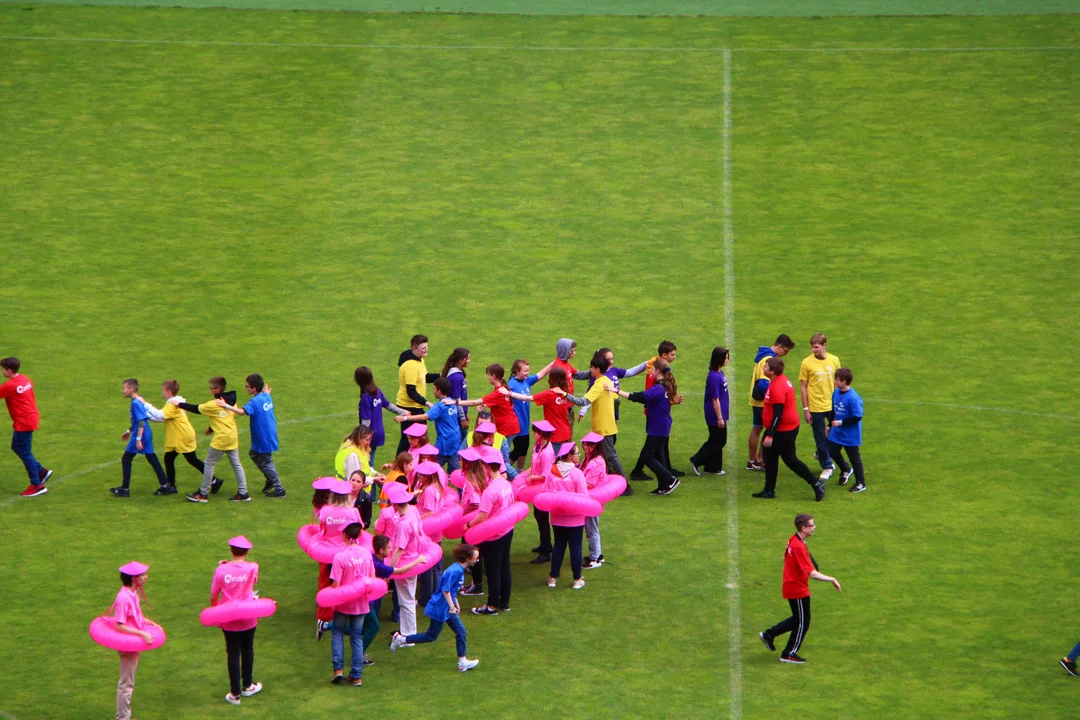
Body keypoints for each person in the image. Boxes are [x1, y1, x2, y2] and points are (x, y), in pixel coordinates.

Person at [758, 514, 841, 664]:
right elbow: (812, 574)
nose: (814, 527)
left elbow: (785, 558)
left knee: (798, 619)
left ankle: (769, 635)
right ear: (804, 528)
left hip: (790, 584)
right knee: (803, 622)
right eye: (812, 525)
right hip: (797, 589)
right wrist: (832, 579)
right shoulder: (799, 547)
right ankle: (788, 654)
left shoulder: (793, 540)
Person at [390, 543, 481, 672]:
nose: (477, 560)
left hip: (446, 607)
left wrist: (455, 603)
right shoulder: (455, 571)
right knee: (431, 636)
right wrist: (451, 606)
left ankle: (462, 662)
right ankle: (401, 639)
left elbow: (452, 590)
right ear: (467, 558)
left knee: (461, 631)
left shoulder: (458, 570)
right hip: (441, 608)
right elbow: (445, 590)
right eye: (475, 558)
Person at [752, 359, 826, 502]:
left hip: (783, 430)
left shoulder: (778, 387)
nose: (763, 367)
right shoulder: (777, 381)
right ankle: (769, 490)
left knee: (790, 460)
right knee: (770, 457)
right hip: (780, 428)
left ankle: (816, 484)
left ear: (772, 371)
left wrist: (770, 435)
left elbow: (778, 414)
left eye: (766, 366)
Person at [611, 359, 684, 496]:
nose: (650, 371)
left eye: (652, 369)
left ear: (657, 371)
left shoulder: (658, 388)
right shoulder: (666, 385)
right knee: (659, 455)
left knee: (647, 456)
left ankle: (670, 479)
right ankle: (663, 486)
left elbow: (640, 397)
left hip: (658, 426)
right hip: (662, 425)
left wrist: (617, 391)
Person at [175, 377, 250, 503]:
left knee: (209, 464)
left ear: (217, 389)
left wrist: (179, 404)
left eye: (211, 388)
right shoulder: (231, 401)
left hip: (221, 439)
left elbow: (196, 408)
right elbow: (225, 416)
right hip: (232, 437)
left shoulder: (213, 404)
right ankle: (243, 493)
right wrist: (211, 427)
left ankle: (203, 494)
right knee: (237, 465)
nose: (210, 390)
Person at [139, 380, 220, 494]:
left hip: (182, 437)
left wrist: (144, 403)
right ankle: (171, 485)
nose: (162, 392)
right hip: (180, 436)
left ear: (169, 392)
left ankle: (214, 480)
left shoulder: (172, 404)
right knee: (170, 458)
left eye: (163, 390)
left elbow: (160, 415)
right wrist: (144, 415)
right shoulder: (173, 402)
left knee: (191, 460)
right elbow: (162, 418)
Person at [210, 536, 263, 705]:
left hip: (228, 617)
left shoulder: (220, 571)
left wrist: (216, 612)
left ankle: (235, 693)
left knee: (232, 653)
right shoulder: (253, 567)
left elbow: (213, 595)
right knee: (248, 649)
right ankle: (247, 685)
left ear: (231, 551)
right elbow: (253, 580)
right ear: (247, 551)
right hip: (248, 616)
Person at [216, 374, 285, 498]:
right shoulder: (266, 396)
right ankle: (269, 478)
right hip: (266, 434)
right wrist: (267, 392)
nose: (245, 388)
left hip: (264, 437)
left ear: (254, 388)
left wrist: (226, 405)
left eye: (247, 386)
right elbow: (267, 395)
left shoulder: (255, 401)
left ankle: (279, 489)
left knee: (267, 462)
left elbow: (242, 412)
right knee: (253, 454)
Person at [363, 534, 427, 666]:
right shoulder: (379, 565)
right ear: (381, 550)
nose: (391, 550)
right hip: (368, 599)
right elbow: (400, 571)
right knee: (372, 626)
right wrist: (418, 560)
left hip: (372, 597)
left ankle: (326, 626)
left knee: (362, 626)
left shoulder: (375, 558)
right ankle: (359, 655)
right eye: (388, 548)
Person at [467, 447, 516, 616]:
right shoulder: (506, 484)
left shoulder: (490, 491)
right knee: (504, 567)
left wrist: (468, 524)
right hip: (507, 530)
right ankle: (505, 602)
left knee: (493, 569)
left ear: (487, 467)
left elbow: (482, 516)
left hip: (493, 535)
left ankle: (492, 605)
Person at [328, 522, 374, 687]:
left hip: (343, 602)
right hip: (361, 603)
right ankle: (356, 676)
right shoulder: (367, 554)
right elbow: (372, 578)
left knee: (338, 632)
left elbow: (335, 585)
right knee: (356, 637)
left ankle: (338, 670)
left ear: (345, 536)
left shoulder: (340, 556)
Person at [578, 353, 632, 495]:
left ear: (596, 369)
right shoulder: (607, 381)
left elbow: (583, 401)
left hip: (603, 428)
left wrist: (565, 395)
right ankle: (603, 478)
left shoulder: (599, 384)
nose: (590, 370)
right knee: (599, 453)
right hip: (605, 425)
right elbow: (616, 399)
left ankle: (626, 485)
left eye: (591, 368)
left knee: (610, 456)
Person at [0, 357, 52, 497]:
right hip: (30, 417)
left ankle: (37, 485)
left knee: (24, 452)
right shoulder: (24, 379)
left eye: (3, 369)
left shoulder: (10, 386)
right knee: (17, 447)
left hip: (24, 421)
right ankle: (41, 471)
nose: (2, 372)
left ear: (9, 370)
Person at [628, 341, 680, 480]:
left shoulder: (655, 366)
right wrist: (671, 401)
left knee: (654, 445)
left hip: (656, 408)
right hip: (656, 410)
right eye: (672, 355)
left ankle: (644, 470)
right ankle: (665, 473)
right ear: (664, 355)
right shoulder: (656, 370)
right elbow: (654, 393)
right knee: (657, 444)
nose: (674, 357)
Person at [110, 560, 155, 720]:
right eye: (143, 575)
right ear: (134, 579)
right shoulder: (123, 597)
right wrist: (142, 634)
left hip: (133, 642)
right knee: (126, 683)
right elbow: (119, 625)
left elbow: (135, 616)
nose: (146, 577)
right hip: (128, 643)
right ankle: (122, 717)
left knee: (129, 681)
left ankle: (124, 715)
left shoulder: (133, 593)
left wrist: (148, 623)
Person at [111, 379, 169, 497]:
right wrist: (129, 430)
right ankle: (165, 485)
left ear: (131, 390)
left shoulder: (135, 403)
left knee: (126, 459)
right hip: (145, 433)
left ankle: (125, 488)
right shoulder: (138, 400)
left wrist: (138, 440)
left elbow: (141, 421)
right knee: (151, 458)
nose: (123, 391)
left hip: (141, 435)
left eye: (125, 388)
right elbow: (138, 420)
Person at [747, 334, 796, 472]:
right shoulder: (769, 360)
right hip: (763, 403)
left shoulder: (762, 356)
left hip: (757, 401)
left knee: (757, 429)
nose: (785, 355)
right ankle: (758, 460)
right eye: (785, 351)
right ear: (779, 346)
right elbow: (764, 384)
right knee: (765, 430)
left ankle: (753, 461)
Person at [545, 443, 590, 590]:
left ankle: (553, 578)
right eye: (577, 453)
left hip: (557, 517)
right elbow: (584, 496)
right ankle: (577, 578)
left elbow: (547, 493)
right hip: (575, 518)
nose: (579, 455)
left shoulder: (552, 472)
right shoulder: (577, 474)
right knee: (575, 547)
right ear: (570, 456)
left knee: (559, 546)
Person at [798, 333, 842, 481]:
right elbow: (803, 387)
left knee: (836, 433)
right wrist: (806, 409)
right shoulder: (806, 363)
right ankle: (827, 465)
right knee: (820, 436)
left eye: (816, 347)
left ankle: (820, 452)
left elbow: (838, 382)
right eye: (812, 347)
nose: (813, 350)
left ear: (824, 345)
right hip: (815, 406)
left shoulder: (834, 360)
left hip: (832, 404)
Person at [394, 378, 462, 471]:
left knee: (430, 466)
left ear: (439, 391)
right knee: (454, 464)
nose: (433, 391)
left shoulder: (440, 406)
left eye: (434, 389)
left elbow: (424, 417)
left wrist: (404, 418)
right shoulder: (451, 402)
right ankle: (461, 481)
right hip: (455, 438)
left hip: (445, 440)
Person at [453, 364, 533, 441]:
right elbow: (500, 402)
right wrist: (485, 404)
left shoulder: (498, 392)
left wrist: (455, 402)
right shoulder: (503, 388)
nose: (488, 378)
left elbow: (474, 403)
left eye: (489, 375)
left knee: (500, 452)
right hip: (510, 426)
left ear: (494, 376)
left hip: (506, 428)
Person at [386, 482, 424, 637]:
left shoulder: (403, 524)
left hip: (406, 562)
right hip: (414, 557)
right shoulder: (413, 511)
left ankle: (409, 634)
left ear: (395, 505)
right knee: (407, 597)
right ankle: (406, 630)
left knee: (406, 599)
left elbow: (399, 549)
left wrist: (390, 570)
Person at [395, 335, 442, 454]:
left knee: (418, 437)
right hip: (408, 407)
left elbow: (424, 378)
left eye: (427, 347)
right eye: (423, 348)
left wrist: (441, 375)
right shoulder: (410, 365)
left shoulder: (420, 360)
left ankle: (414, 461)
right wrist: (427, 403)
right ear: (414, 348)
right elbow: (411, 391)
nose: (426, 350)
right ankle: (400, 466)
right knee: (408, 439)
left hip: (416, 405)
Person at [354, 366, 407, 469]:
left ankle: (374, 484)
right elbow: (388, 405)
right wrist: (403, 412)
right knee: (369, 462)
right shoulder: (377, 391)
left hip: (369, 435)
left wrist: (359, 437)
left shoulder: (365, 398)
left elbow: (366, 422)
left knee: (368, 464)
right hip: (379, 433)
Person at [507, 358, 555, 470]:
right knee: (519, 449)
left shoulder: (526, 380)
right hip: (517, 424)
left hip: (524, 422)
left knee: (523, 448)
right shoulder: (511, 385)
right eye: (525, 371)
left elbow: (540, 375)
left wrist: (552, 364)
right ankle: (502, 470)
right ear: (517, 371)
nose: (527, 373)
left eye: (528, 370)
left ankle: (519, 470)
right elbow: (499, 396)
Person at [689, 346, 730, 477]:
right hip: (715, 414)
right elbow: (715, 399)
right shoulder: (713, 376)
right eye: (726, 358)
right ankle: (696, 459)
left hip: (720, 412)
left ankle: (713, 467)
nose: (727, 360)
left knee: (716, 439)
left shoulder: (719, 373)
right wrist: (719, 418)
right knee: (719, 440)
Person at [522, 420, 557, 565]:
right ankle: (545, 545)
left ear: (541, 434)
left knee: (542, 518)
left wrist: (531, 477)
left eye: (535, 431)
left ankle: (546, 551)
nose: (533, 433)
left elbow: (547, 475)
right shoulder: (538, 447)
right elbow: (534, 465)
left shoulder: (547, 453)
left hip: (543, 490)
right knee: (538, 516)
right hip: (535, 489)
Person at [827, 368, 866, 493]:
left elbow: (857, 416)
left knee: (854, 458)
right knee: (832, 451)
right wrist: (829, 425)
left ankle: (861, 483)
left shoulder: (853, 398)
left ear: (844, 381)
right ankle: (845, 469)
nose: (835, 382)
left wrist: (841, 422)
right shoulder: (836, 393)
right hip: (837, 431)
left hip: (850, 434)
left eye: (837, 380)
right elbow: (834, 411)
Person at [579, 432, 607, 569]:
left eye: (587, 445)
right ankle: (597, 554)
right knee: (592, 527)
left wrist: (574, 481)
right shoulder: (590, 458)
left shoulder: (596, 462)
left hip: (593, 500)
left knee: (591, 528)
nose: (584, 447)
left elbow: (589, 483)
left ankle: (595, 558)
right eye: (584, 444)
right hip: (591, 499)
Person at [440, 348, 471, 446]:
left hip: (457, 415)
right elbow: (457, 399)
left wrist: (465, 414)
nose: (469, 361)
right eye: (467, 358)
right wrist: (462, 418)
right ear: (460, 360)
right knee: (461, 448)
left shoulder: (457, 374)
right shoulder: (456, 378)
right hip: (457, 418)